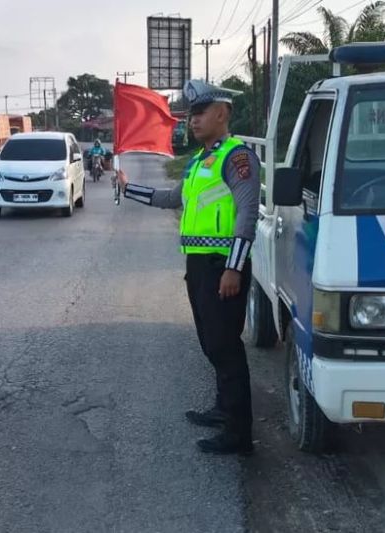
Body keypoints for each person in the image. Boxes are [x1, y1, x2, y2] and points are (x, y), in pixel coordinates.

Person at [118, 80, 260, 455]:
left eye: (199, 113)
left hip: (222, 266)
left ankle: (239, 434)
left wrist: (234, 267)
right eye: (190, 114)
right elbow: (171, 198)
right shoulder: (201, 161)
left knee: (224, 346)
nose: (192, 121)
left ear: (222, 113)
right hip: (198, 265)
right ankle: (222, 409)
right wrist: (128, 188)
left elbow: (247, 214)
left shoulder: (237, 157)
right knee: (210, 343)